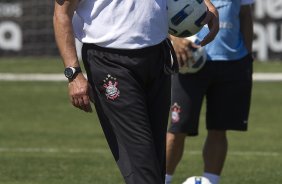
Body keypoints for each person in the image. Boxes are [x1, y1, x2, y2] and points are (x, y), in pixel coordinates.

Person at [53, 0, 218, 183]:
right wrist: (73, 74)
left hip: (157, 54)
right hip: (110, 62)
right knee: (141, 160)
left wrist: (204, 4)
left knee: (155, 160)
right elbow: (62, 13)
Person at [165, 0, 254, 184]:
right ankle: (162, 179)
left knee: (219, 130)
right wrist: (173, 38)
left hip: (232, 62)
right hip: (189, 62)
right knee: (177, 130)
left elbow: (245, 15)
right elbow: (159, 12)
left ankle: (211, 181)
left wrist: (247, 55)